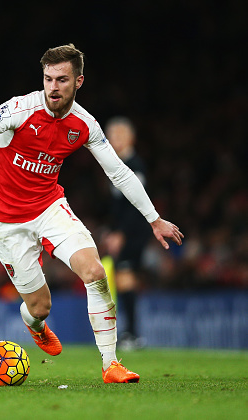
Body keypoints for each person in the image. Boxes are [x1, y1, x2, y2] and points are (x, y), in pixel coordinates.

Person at [0, 44, 183, 383]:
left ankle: (111, 364)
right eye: (47, 79)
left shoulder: (84, 124)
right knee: (40, 307)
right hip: (5, 221)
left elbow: (118, 172)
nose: (53, 87)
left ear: (79, 81)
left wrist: (154, 219)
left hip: (48, 208)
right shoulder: (19, 110)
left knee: (95, 271)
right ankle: (35, 324)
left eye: (61, 80)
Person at [103, 116, 152, 350]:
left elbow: (136, 203)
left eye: (120, 135)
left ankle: (132, 334)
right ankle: (130, 332)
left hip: (134, 232)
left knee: (126, 279)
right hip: (124, 231)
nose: (115, 139)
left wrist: (120, 233)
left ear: (131, 137)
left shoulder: (135, 165)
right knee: (124, 280)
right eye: (112, 135)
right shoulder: (117, 165)